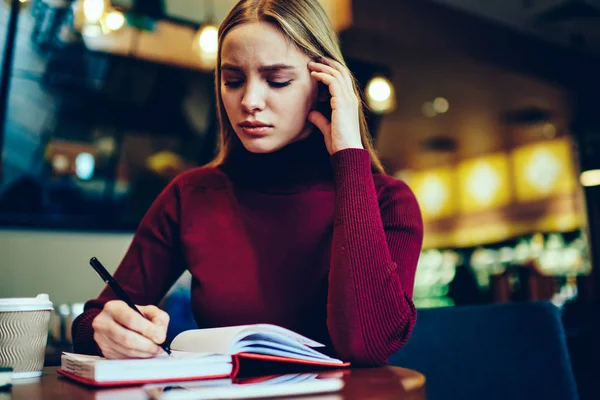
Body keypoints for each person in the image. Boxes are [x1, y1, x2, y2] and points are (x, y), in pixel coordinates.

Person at [72, 0, 423, 366]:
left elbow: (368, 345)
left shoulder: (389, 202)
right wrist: (103, 329)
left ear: (323, 87)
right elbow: (92, 319)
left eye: (278, 81)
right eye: (233, 81)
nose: (249, 101)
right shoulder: (191, 196)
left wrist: (349, 155)